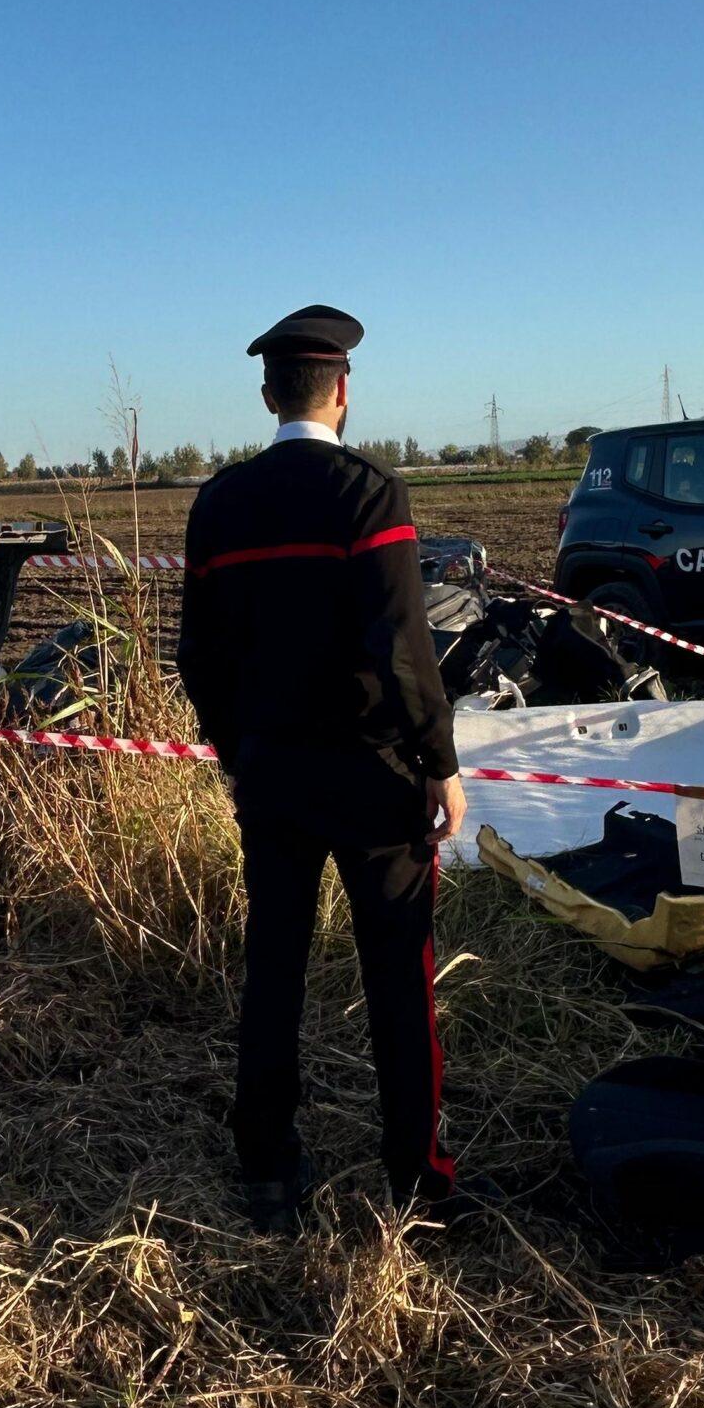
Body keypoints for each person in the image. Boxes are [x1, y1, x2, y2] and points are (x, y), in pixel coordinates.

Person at [177, 304, 475, 1230]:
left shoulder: (219, 503)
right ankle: (416, 1182)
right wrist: (439, 761)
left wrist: (240, 754)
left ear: (270, 395)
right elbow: (402, 646)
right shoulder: (368, 496)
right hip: (371, 777)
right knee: (398, 973)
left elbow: (196, 656)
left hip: (272, 774)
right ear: (342, 393)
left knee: (274, 967)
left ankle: (267, 1170)